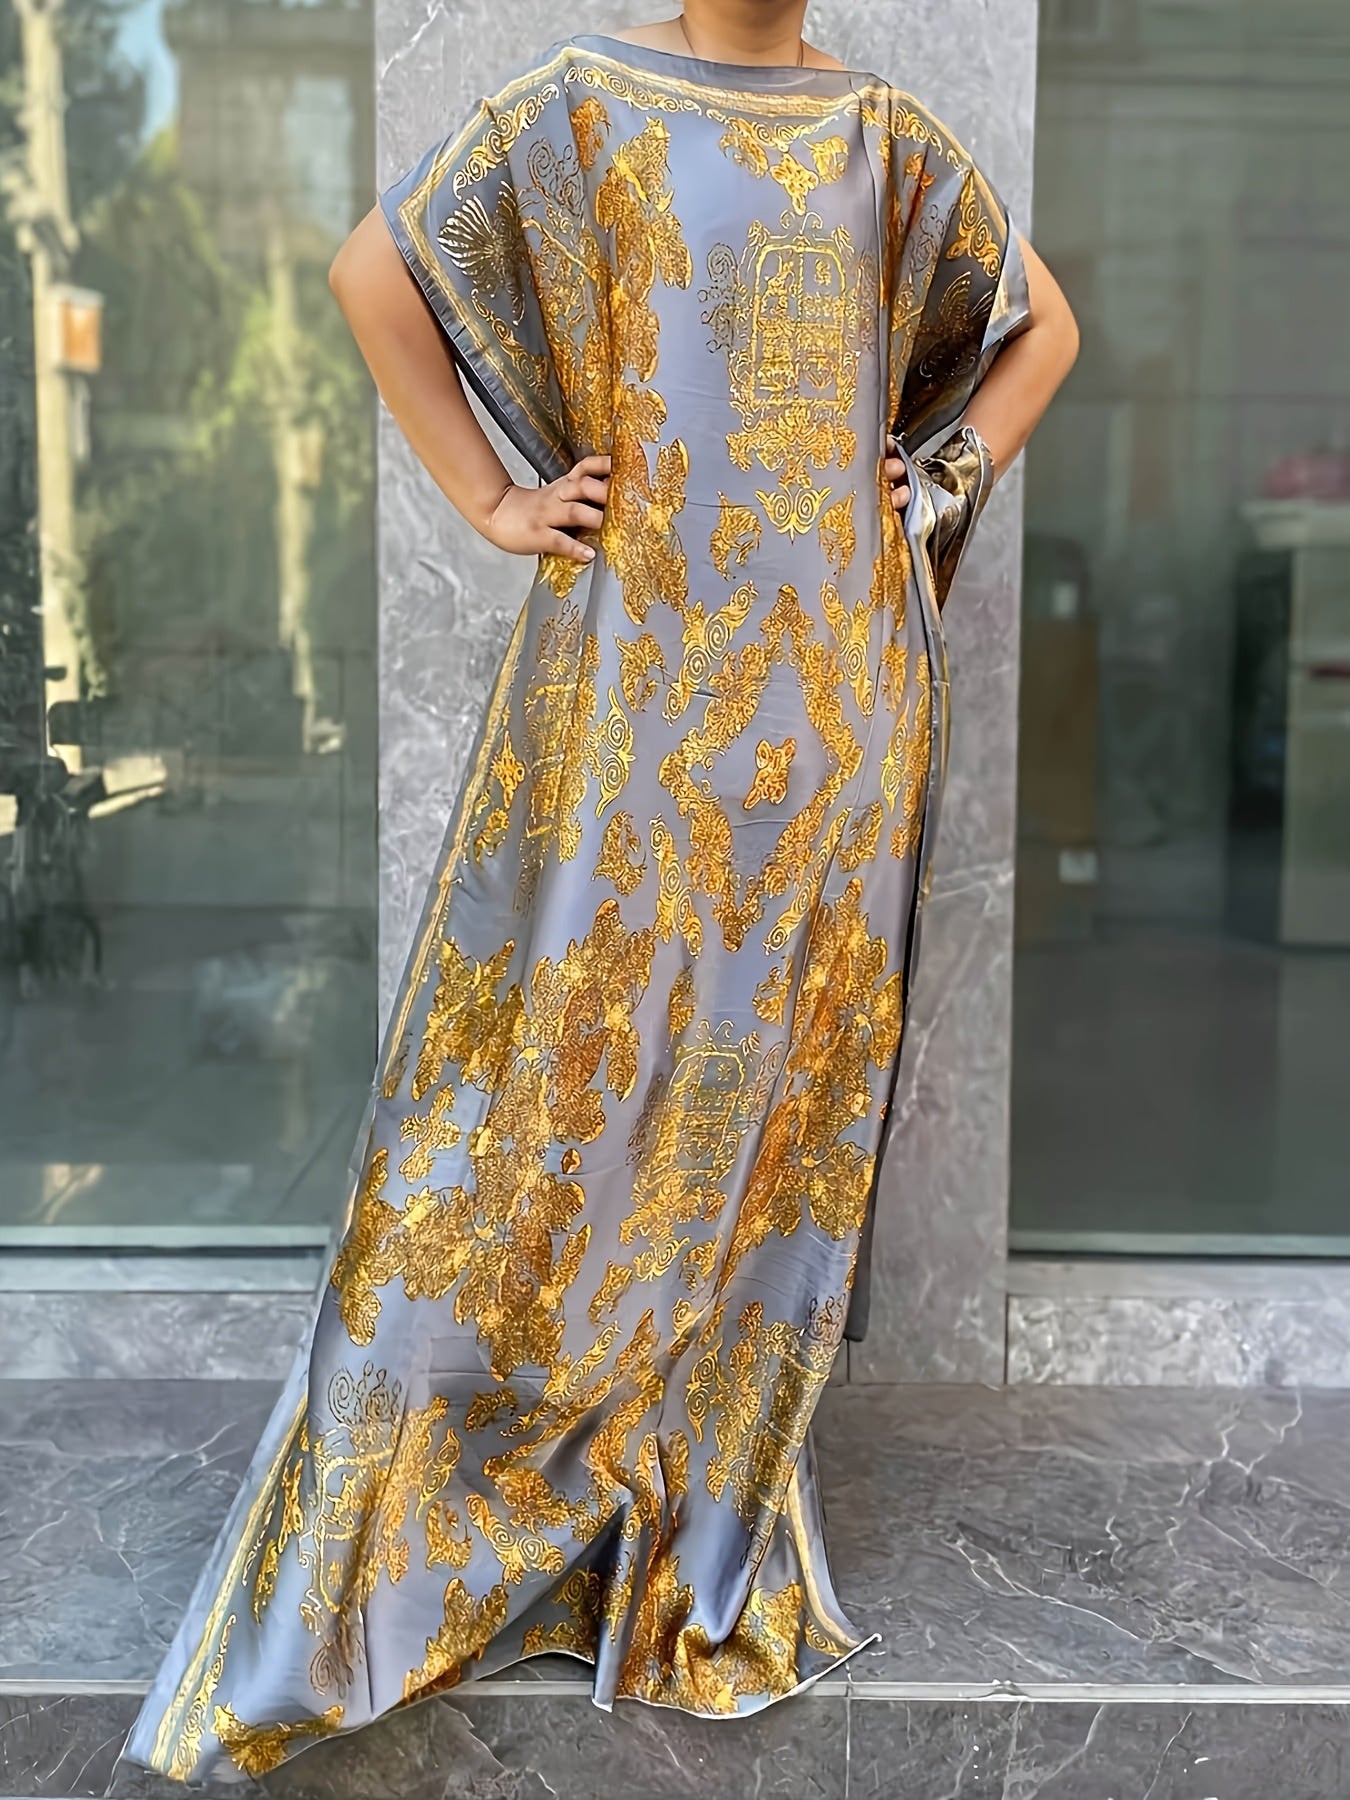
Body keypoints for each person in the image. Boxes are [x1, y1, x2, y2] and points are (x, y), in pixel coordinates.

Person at [119, 4, 1078, 1783]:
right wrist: (491, 498)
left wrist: (937, 476)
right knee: (549, 1086)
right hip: (631, 697)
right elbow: (372, 273)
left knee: (767, 1105)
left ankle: (689, 1482)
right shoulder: (580, 106)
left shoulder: (878, 134)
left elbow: (1044, 330)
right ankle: (468, 1488)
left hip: (834, 716)